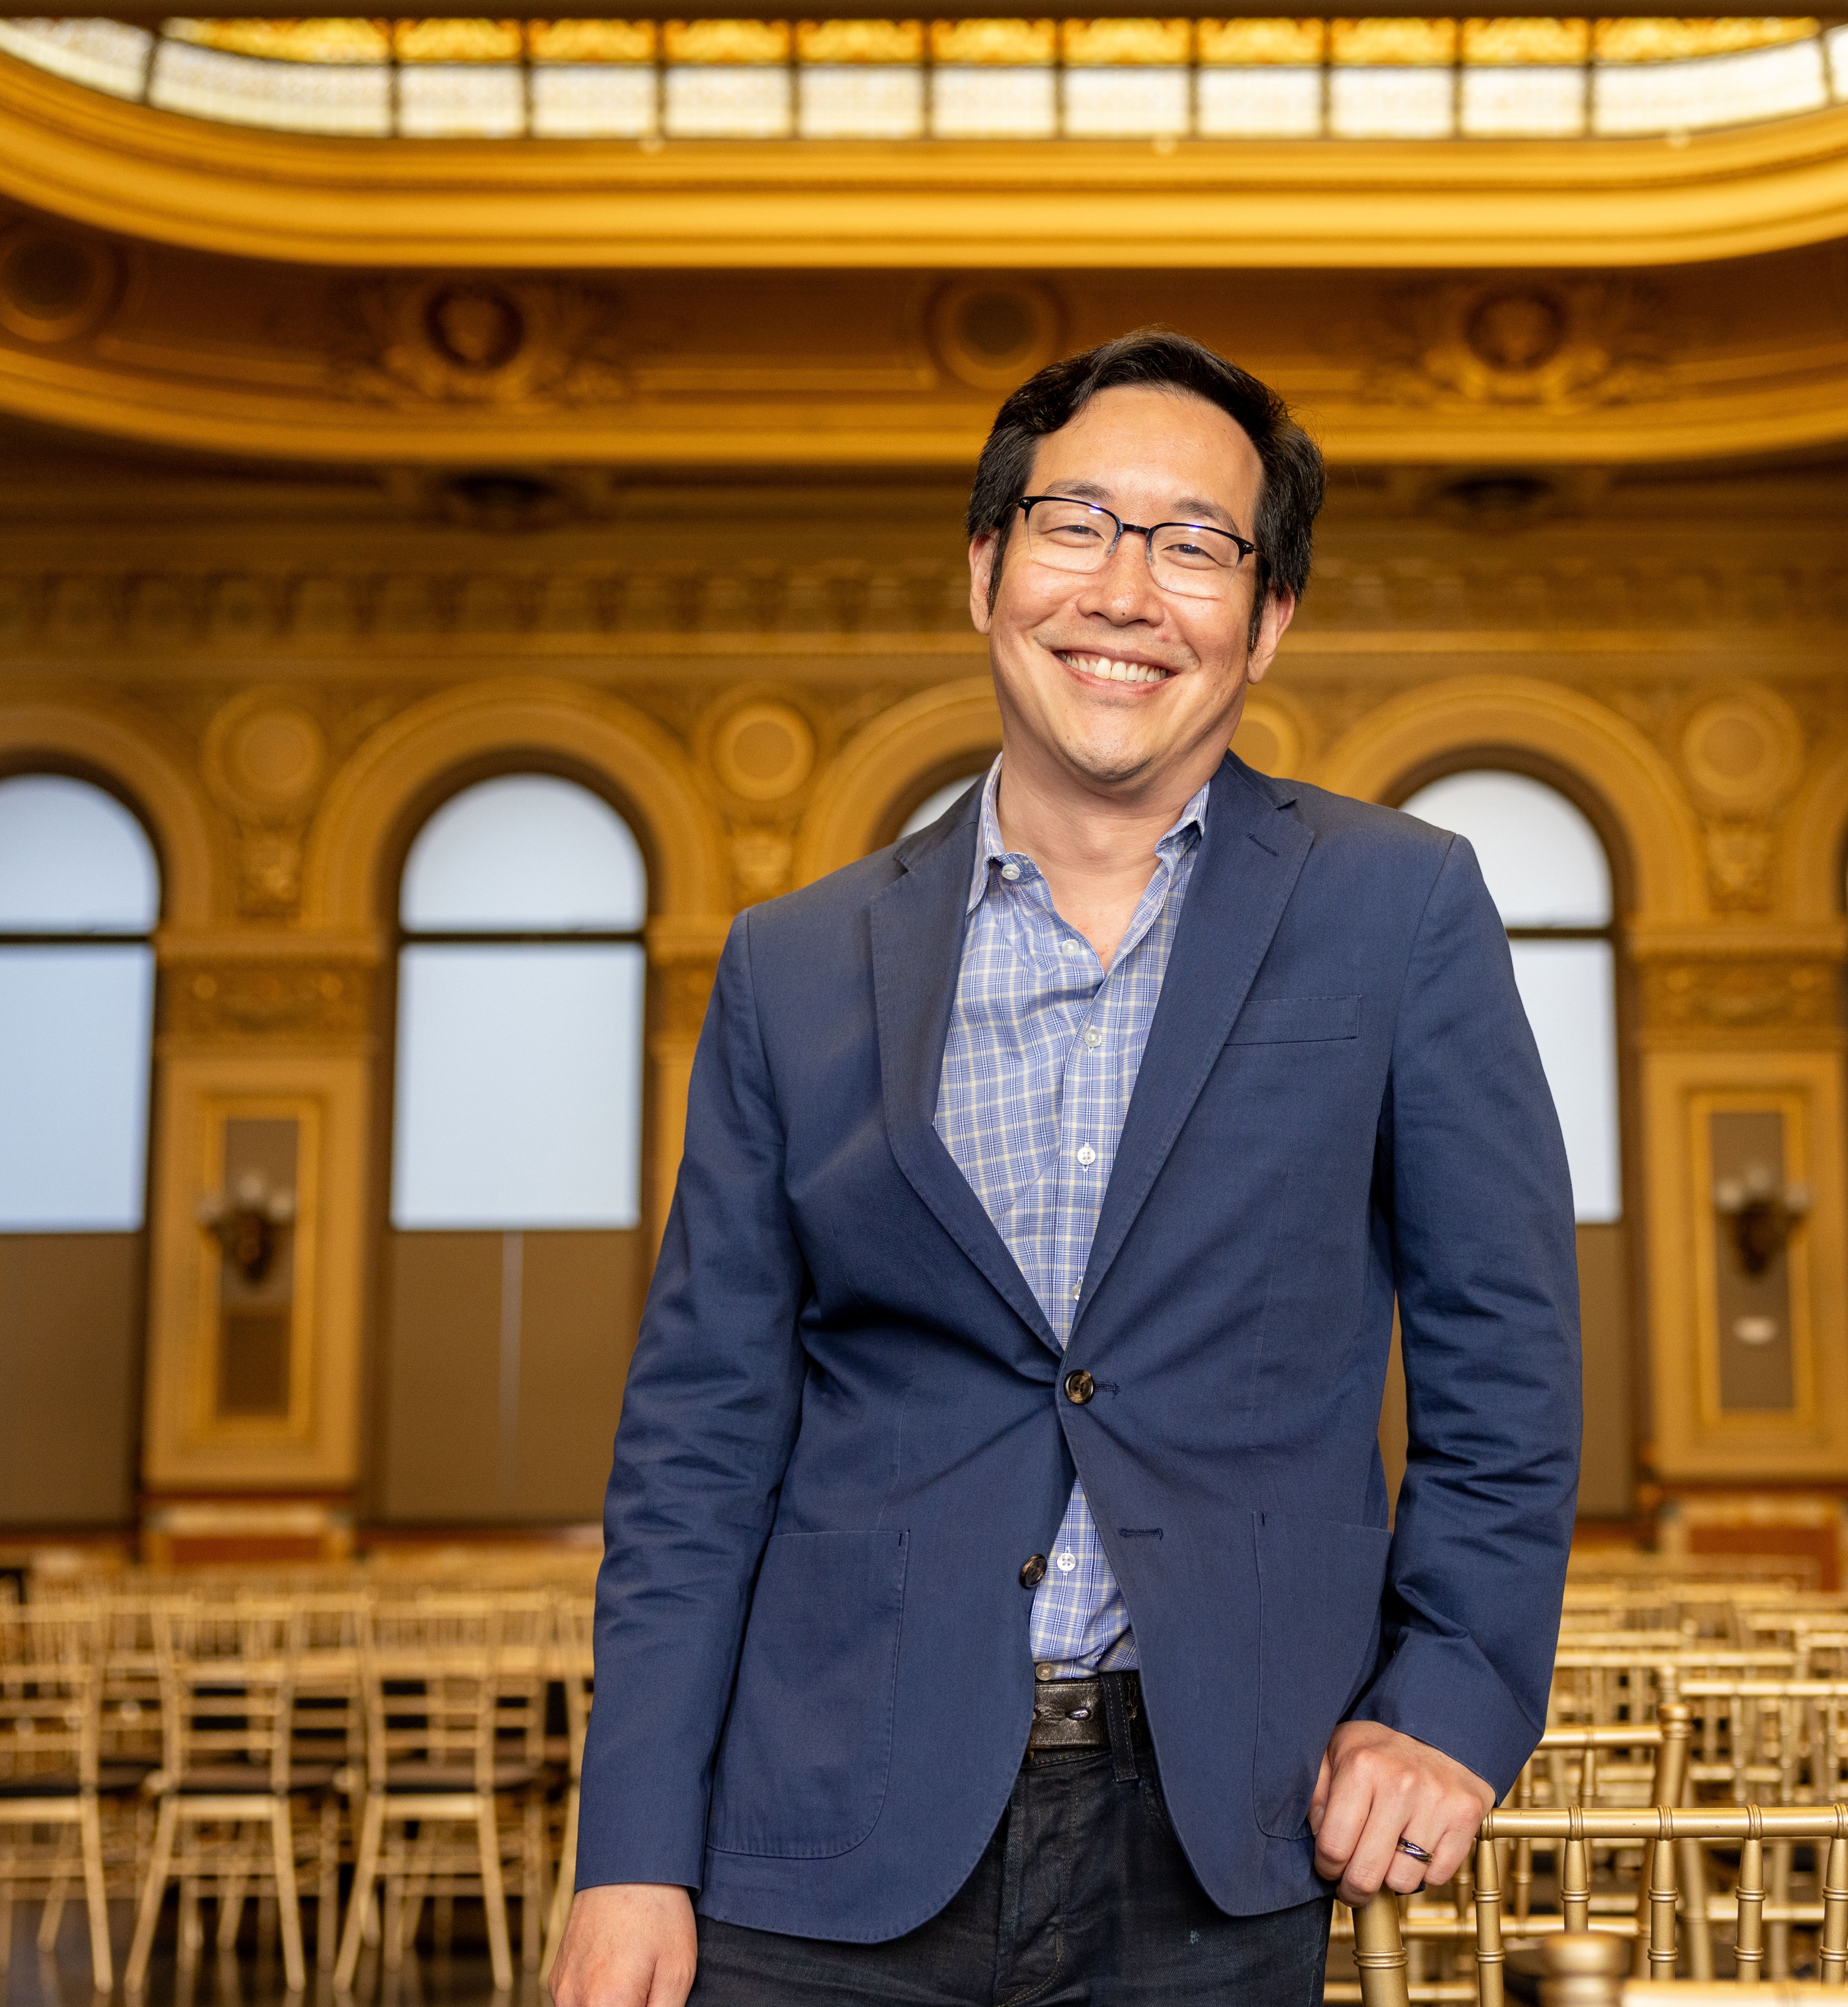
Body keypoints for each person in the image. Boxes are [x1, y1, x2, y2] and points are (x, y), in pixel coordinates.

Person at [550, 328, 1581, 2007]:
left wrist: (1450, 1701)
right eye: (1076, 524)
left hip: (1226, 1829)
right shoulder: (793, 965)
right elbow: (698, 1446)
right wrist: (632, 1848)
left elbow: (1506, 1371)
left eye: (1195, 546)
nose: (1125, 590)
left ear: (1268, 620)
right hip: (812, 1839)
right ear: (987, 570)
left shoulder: (1401, 910)